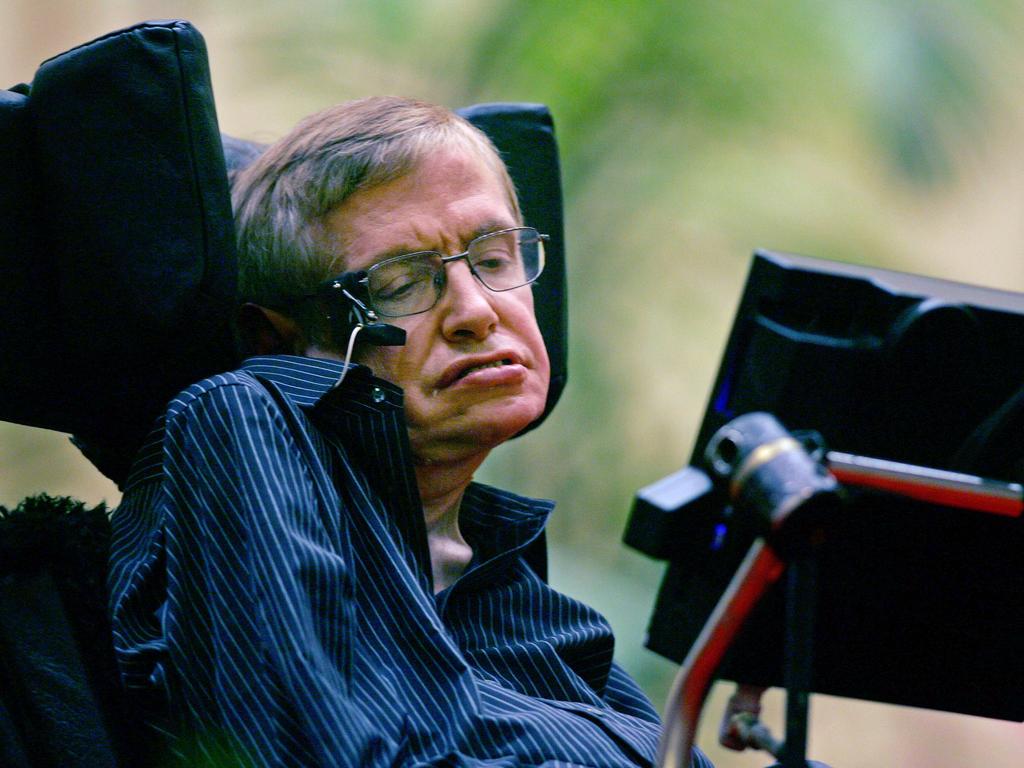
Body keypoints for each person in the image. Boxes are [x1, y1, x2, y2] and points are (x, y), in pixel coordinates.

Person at [108, 96, 713, 767]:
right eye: (400, 282)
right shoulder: (239, 417)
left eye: (493, 258)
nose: (476, 313)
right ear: (280, 339)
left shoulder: (521, 598)